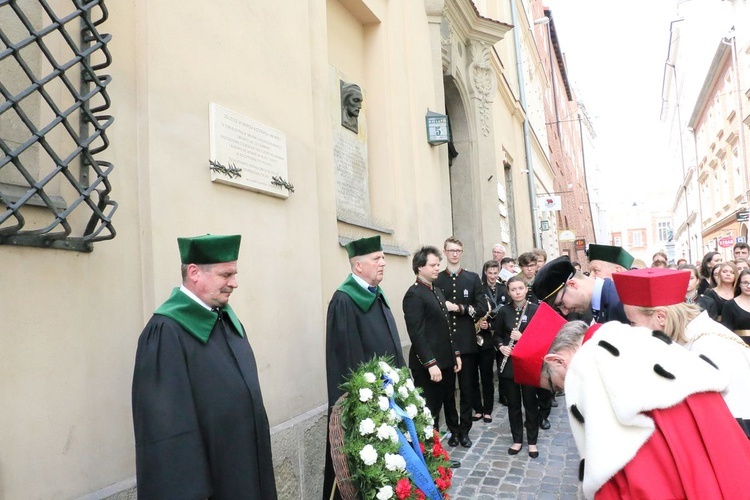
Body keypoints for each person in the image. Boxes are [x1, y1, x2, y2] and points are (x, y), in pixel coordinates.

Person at [512, 303, 750, 499]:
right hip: (729, 469)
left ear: (557, 361)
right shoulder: (631, 334)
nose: (562, 389)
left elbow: (621, 472)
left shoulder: (590, 367)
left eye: (555, 385)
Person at [132, 234, 277, 499]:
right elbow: (170, 439)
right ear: (194, 272)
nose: (234, 283)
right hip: (212, 485)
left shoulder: (226, 320)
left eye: (234, 273)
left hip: (245, 475)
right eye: (226, 275)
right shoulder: (166, 333)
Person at [613, 267, 750, 435]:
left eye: (633, 322)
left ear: (661, 317)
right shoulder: (691, 339)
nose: (632, 330)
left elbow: (731, 427)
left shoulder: (709, 347)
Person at [324, 235, 406, 499]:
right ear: (358, 266)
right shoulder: (344, 301)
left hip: (388, 401)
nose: (383, 263)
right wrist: (359, 411)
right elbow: (344, 363)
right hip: (366, 410)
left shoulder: (376, 294)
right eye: (376, 259)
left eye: (383, 257)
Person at [403, 246, 462, 447]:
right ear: (420, 267)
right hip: (429, 366)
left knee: (446, 403)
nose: (438, 268)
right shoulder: (414, 294)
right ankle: (431, 457)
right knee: (430, 412)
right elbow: (417, 333)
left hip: (445, 361)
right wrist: (431, 364)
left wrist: (455, 354)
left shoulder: (436, 290)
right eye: (433, 265)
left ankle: (440, 452)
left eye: (438, 264)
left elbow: (446, 326)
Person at [434, 236, 485, 448]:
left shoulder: (472, 279)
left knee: (467, 390)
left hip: (466, 344)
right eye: (450, 250)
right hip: (444, 345)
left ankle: (465, 430)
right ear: (444, 252)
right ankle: (453, 430)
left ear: (461, 253)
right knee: (447, 391)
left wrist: (461, 308)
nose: (454, 254)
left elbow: (482, 307)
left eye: (458, 250)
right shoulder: (437, 280)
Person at [492, 276, 545, 458]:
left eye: (520, 288)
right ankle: (517, 440)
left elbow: (541, 339)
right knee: (513, 405)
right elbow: (496, 335)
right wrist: (501, 347)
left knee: (530, 404)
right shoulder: (503, 312)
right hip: (509, 366)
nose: (517, 292)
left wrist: (523, 338)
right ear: (508, 292)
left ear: (526, 289)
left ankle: (532, 442)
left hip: (528, 364)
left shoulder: (534, 310)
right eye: (513, 289)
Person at [532, 255, 628, 324]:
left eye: (561, 304)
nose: (565, 311)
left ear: (572, 285)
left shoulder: (620, 302)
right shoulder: (607, 301)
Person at [476, 260, 509, 410]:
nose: (493, 276)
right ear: (485, 273)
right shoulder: (480, 289)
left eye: (496, 273)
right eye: (490, 273)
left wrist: (493, 325)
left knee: (503, 364)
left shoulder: (504, 289)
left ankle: (503, 394)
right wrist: (483, 324)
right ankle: (485, 401)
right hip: (486, 334)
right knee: (488, 369)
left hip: (501, 331)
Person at [721, 268, 750, 344]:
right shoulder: (729, 305)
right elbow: (726, 332)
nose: (749, 286)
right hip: (739, 347)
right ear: (739, 284)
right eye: (745, 283)